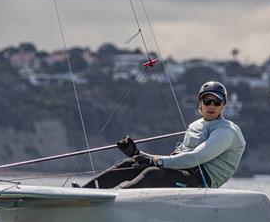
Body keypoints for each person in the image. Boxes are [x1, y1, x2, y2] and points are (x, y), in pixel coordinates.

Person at [84, 81, 245, 189]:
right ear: (200, 104)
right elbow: (175, 158)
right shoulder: (195, 126)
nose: (211, 106)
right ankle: (86, 193)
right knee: (129, 163)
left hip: (200, 182)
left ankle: (115, 201)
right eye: (207, 101)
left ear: (223, 106)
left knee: (153, 173)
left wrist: (154, 160)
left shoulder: (226, 131)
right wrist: (138, 154)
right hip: (182, 171)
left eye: (217, 102)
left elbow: (196, 157)